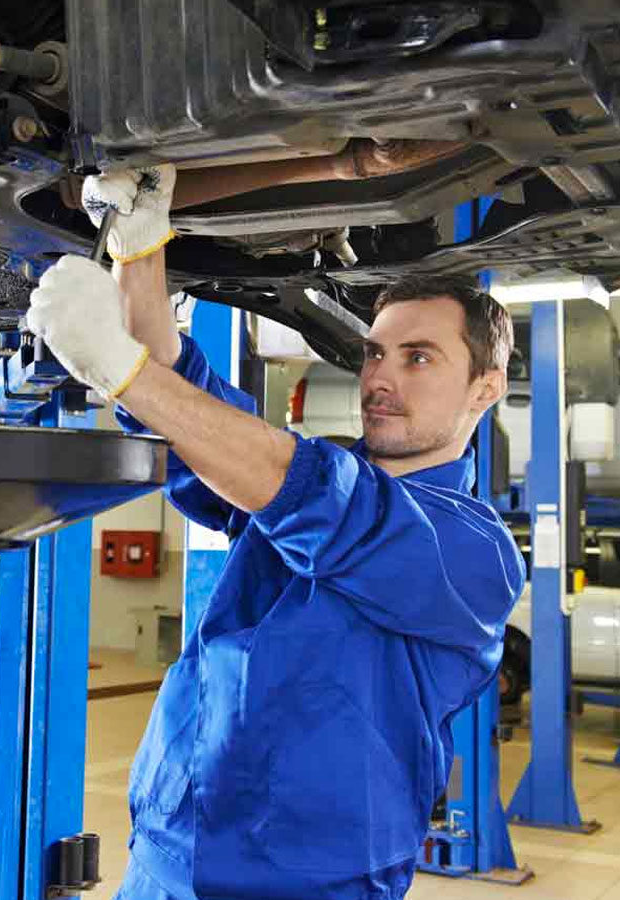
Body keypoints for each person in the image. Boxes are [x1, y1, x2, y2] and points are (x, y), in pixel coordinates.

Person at [27, 165, 524, 900]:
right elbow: (192, 414)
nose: (381, 377)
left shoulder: (474, 553)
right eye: (375, 353)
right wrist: (141, 248)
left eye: (418, 358)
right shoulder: (290, 472)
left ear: (486, 387)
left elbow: (316, 499)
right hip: (171, 852)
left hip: (311, 883)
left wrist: (118, 368)